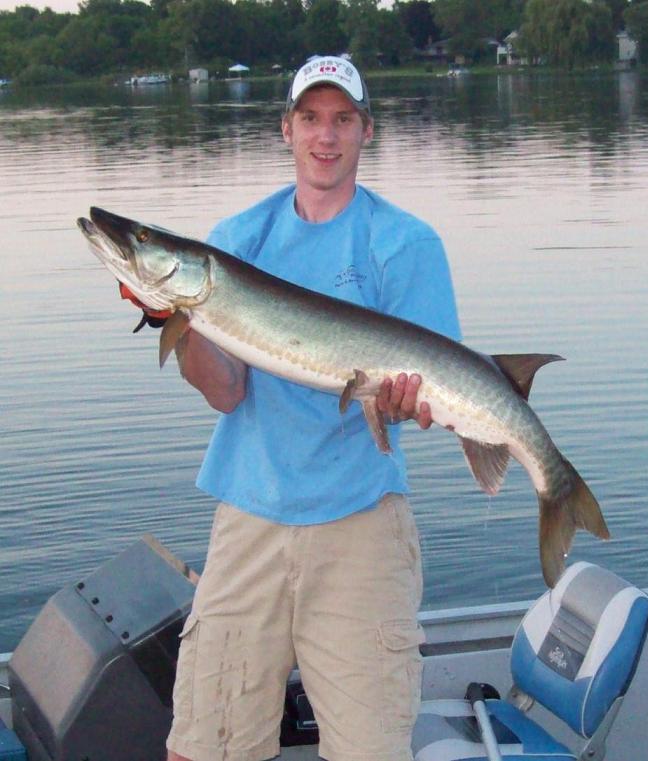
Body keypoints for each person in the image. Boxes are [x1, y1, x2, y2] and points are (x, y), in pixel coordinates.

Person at [128, 55, 461, 761]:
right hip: (249, 519)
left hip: (360, 525)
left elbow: (428, 389)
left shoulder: (405, 244)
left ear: (366, 130)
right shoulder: (237, 241)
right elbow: (225, 390)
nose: (325, 135)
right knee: (201, 749)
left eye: (342, 119)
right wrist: (175, 321)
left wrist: (405, 404)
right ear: (287, 129)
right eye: (310, 118)